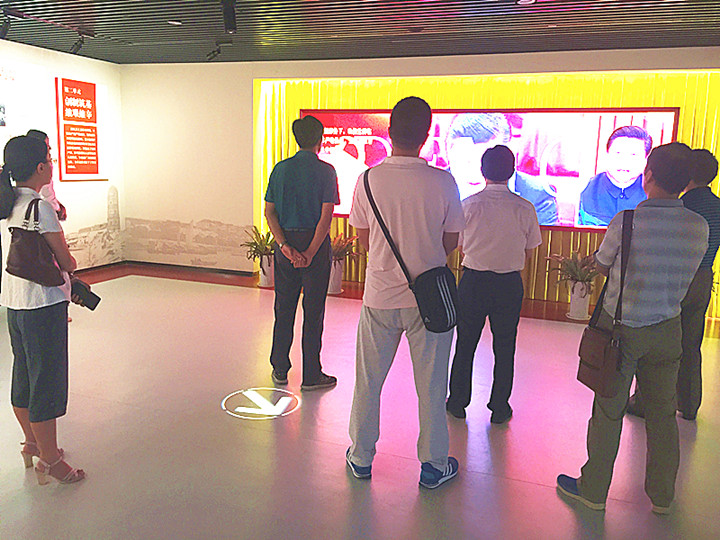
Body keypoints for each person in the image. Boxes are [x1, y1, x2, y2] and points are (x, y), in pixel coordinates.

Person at [557, 142, 708, 515]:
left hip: (621, 330)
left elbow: (603, 266)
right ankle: (663, 497)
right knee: (662, 414)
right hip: (668, 327)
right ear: (687, 181)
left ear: (648, 175)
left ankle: (593, 491)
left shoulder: (626, 221)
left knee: (608, 411)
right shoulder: (698, 226)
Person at [346, 97, 465, 489]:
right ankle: (433, 465)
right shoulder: (444, 182)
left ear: (389, 130)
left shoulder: (367, 180)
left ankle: (361, 457)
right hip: (429, 301)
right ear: (426, 134)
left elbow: (364, 239)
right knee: (431, 386)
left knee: (368, 381)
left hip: (379, 297)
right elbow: (450, 241)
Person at [1, 136, 85, 484]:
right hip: (43, 304)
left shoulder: (6, 204)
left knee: (24, 374)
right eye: (50, 158)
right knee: (46, 380)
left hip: (14, 303)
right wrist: (72, 267)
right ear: (40, 167)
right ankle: (50, 460)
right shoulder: (40, 207)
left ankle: (31, 444)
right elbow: (65, 261)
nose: (52, 163)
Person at [446, 145, 541, 423]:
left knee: (465, 344)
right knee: (505, 346)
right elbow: (530, 250)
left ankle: (457, 402)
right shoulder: (525, 208)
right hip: (509, 284)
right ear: (512, 171)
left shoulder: (468, 205)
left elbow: (460, 246)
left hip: (473, 282)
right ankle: (499, 407)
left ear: (482, 171)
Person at [627, 148, 720, 421]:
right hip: (704, 278)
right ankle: (689, 404)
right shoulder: (717, 206)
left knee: (656, 337)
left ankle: (643, 401)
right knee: (691, 343)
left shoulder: (681, 206)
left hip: (675, 276)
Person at [264, 115, 339, 391]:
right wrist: (309, 252)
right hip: (314, 246)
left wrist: (286, 247)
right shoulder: (327, 171)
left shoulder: (280, 169)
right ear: (320, 139)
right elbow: (326, 216)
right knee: (314, 311)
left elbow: (269, 212)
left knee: (284, 308)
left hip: (286, 244)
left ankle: (279, 368)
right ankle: (311, 375)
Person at [445, 113, 558, 225]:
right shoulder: (434, 187)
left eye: (486, 161)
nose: (475, 172)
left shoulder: (537, 196)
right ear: (448, 151)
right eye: (467, 160)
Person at [577, 126, 652, 227]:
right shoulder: (583, 190)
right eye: (618, 154)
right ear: (606, 155)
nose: (624, 162)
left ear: (645, 160)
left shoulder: (653, 196)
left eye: (633, 155)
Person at [26, 130, 68, 221]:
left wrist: (57, 204)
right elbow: (47, 195)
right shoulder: (41, 169)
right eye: (47, 145)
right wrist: (57, 209)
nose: (50, 148)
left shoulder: (24, 165)